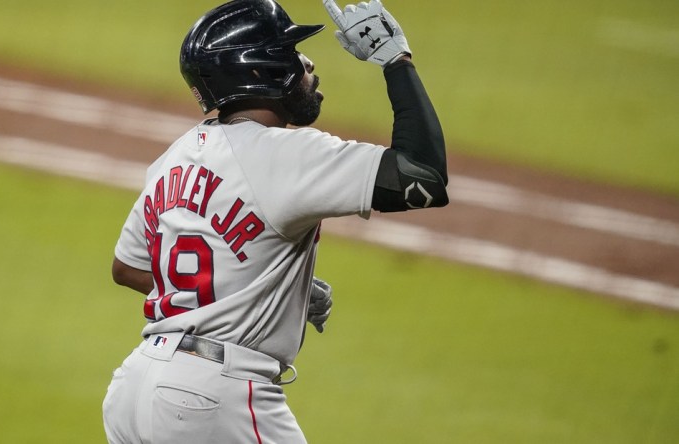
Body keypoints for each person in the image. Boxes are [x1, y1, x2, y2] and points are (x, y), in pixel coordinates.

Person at [102, 0, 448, 442]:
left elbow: (126, 267)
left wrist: (253, 282)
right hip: (213, 400)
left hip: (135, 387)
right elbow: (422, 176)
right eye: (291, 55)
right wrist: (396, 61)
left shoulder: (175, 158)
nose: (307, 64)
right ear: (262, 71)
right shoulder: (287, 154)